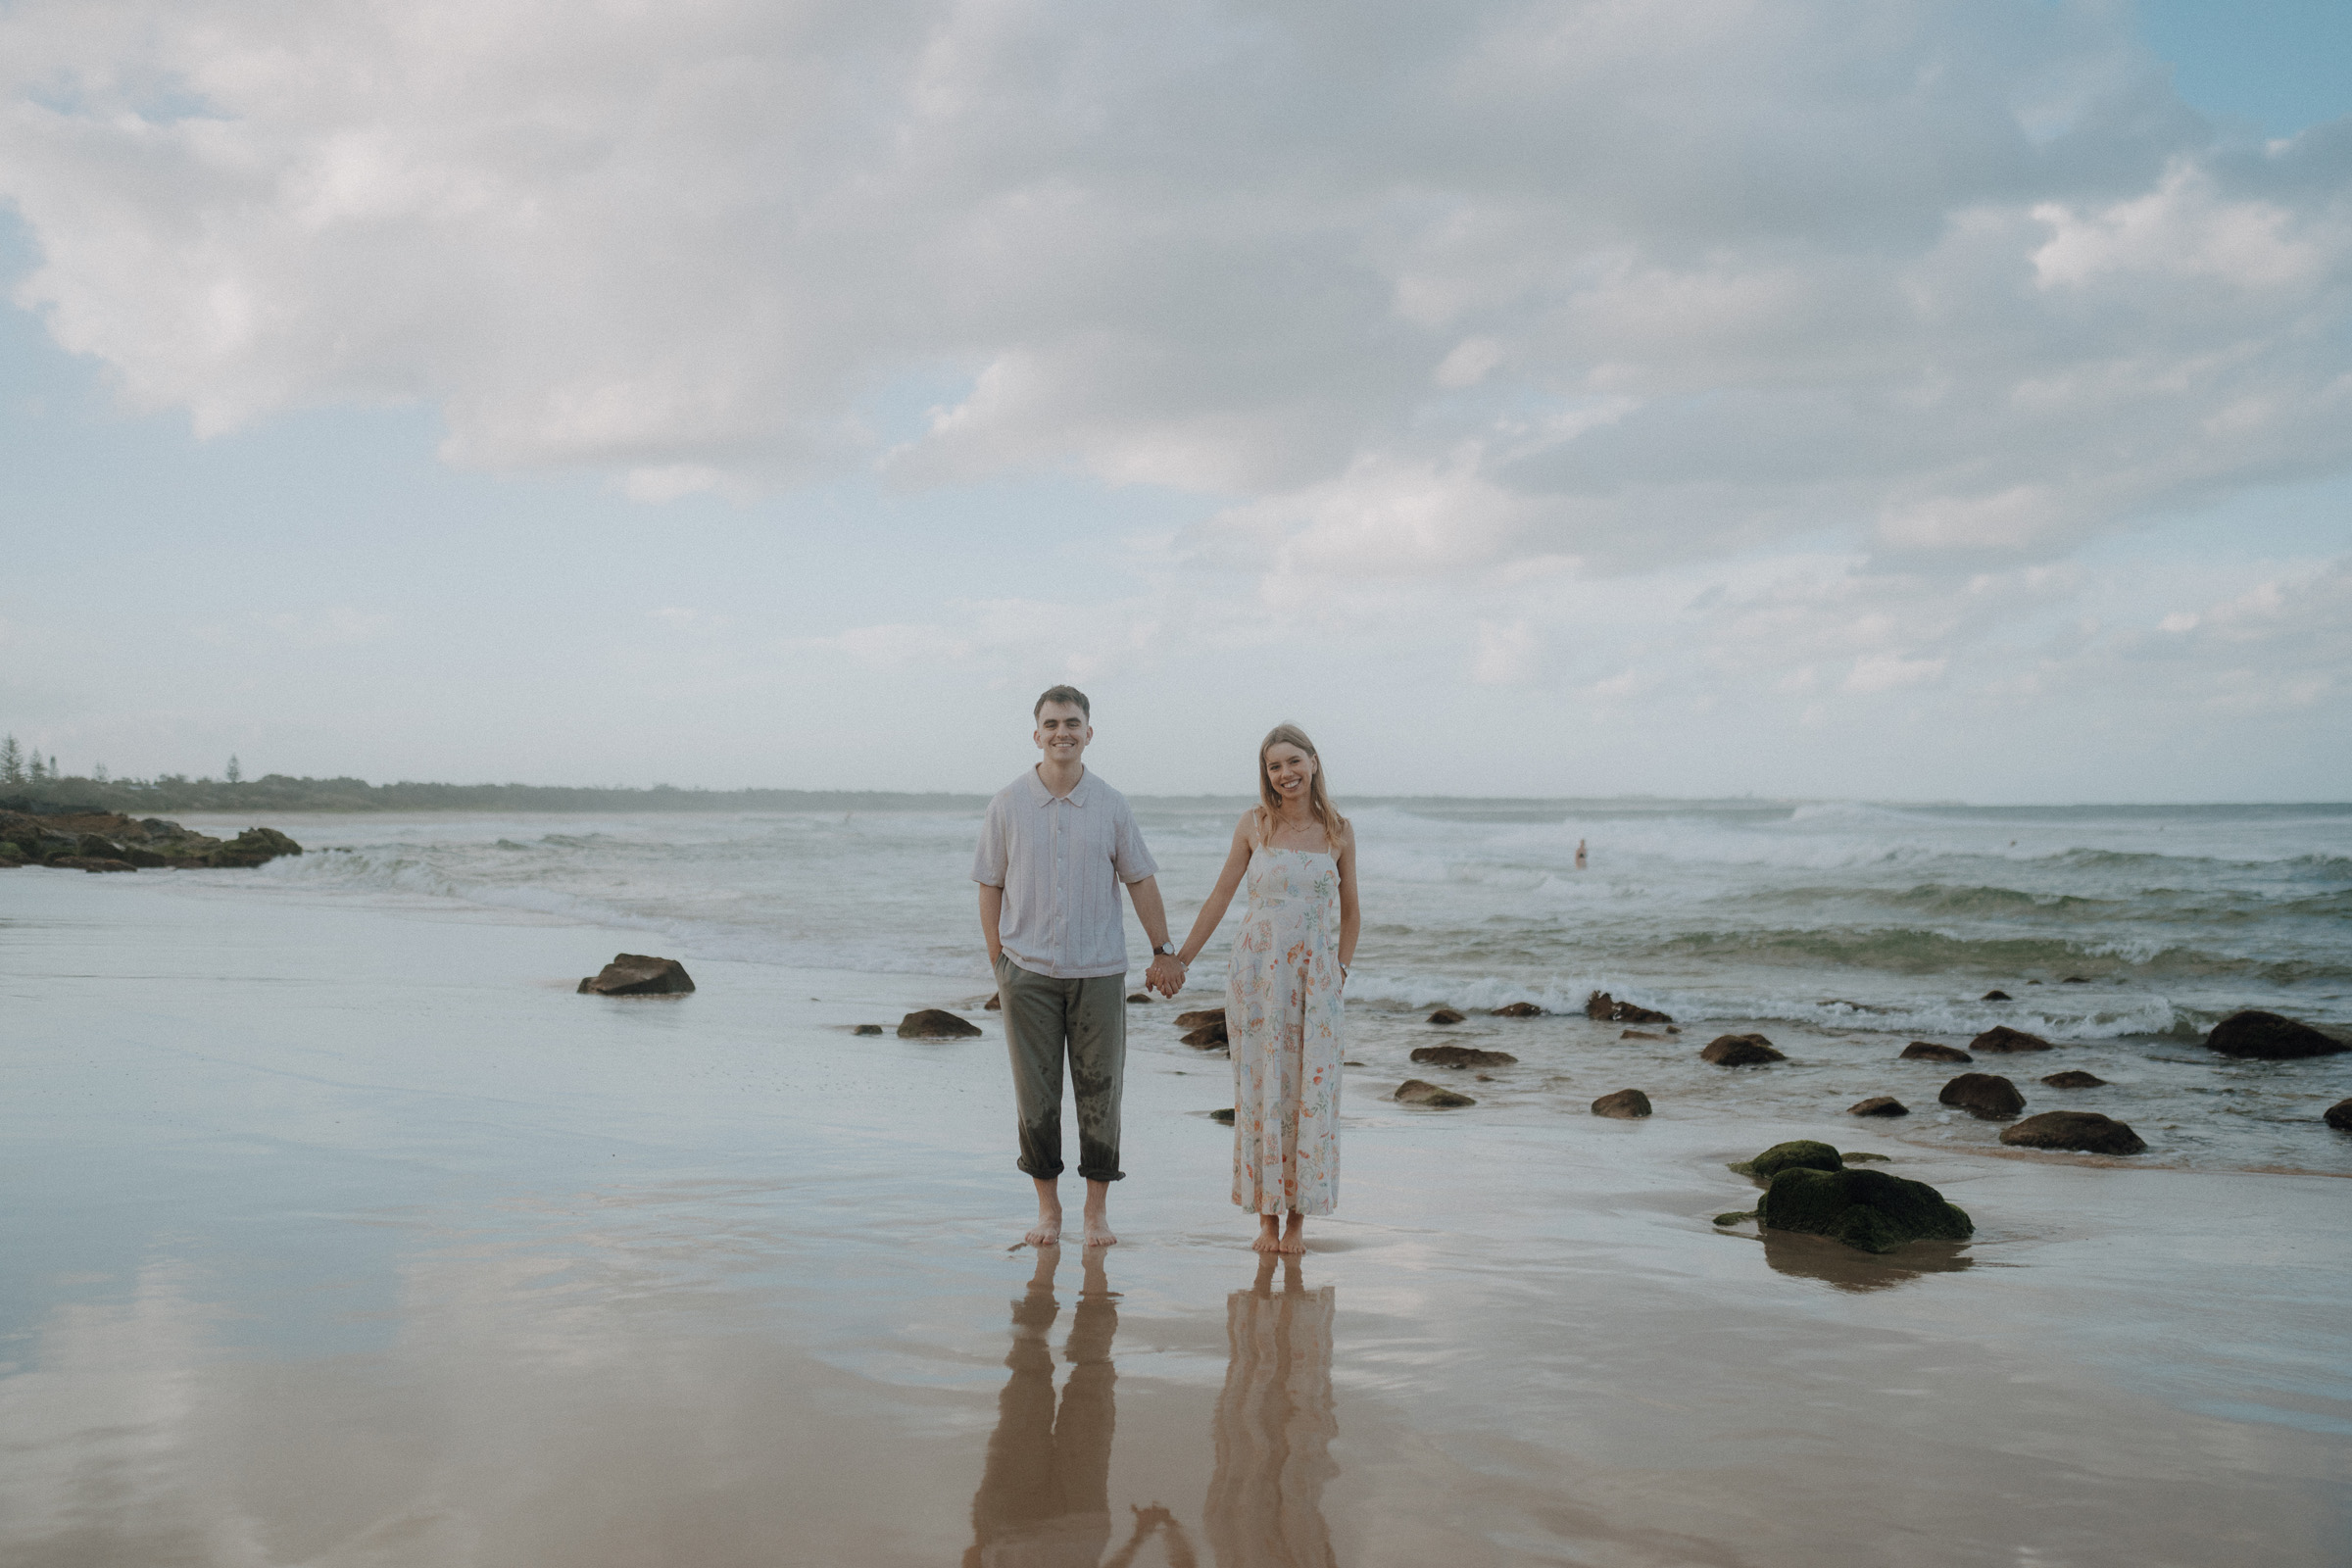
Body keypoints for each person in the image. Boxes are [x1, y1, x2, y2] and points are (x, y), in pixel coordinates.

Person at [975, 685, 1186, 1250]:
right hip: (1027, 973)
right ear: (1036, 734)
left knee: (1101, 1092)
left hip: (1099, 972)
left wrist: (1163, 950)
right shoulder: (1007, 804)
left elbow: (1140, 878)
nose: (1062, 732)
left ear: (1088, 733)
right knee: (1035, 1096)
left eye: (1073, 723)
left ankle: (1096, 1215)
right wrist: (999, 960)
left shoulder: (1111, 804)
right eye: (1051, 724)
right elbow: (990, 884)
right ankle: (1049, 1213)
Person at [1169, 724, 1358, 1253]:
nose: (1286, 774)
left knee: (1310, 1095)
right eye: (1275, 766)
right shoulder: (1255, 824)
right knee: (1260, 1093)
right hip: (1256, 975)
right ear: (1266, 774)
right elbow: (1222, 895)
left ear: (1314, 762)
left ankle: (1297, 1222)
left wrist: (1338, 971)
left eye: (1294, 762)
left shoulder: (1339, 830)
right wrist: (1179, 958)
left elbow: (1352, 913)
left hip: (1315, 979)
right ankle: (1266, 1221)